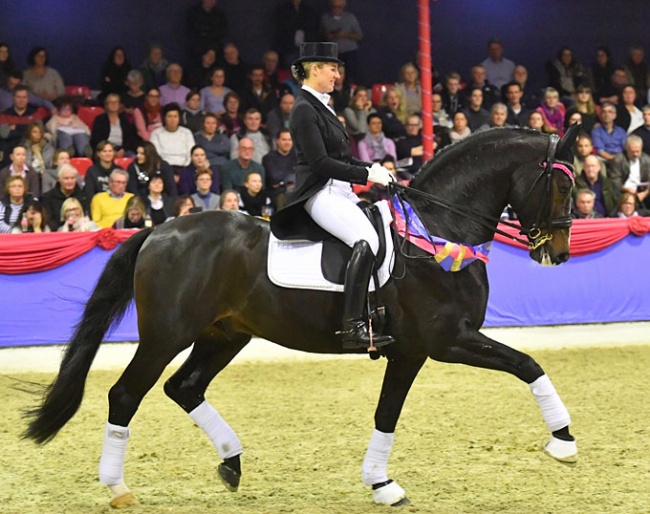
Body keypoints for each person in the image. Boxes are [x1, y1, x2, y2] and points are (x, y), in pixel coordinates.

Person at [270, 42, 395, 350]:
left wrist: (373, 168)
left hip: (339, 191)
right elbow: (320, 163)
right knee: (367, 241)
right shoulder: (303, 109)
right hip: (319, 193)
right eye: (333, 69)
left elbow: (343, 157)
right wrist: (366, 176)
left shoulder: (323, 107)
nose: (337, 75)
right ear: (315, 69)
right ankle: (352, 326)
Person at [0, 85, 47, 165]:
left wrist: (16, 127)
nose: (21, 100)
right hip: (10, 147)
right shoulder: (4, 114)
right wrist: (29, 129)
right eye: (18, 97)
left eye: (24, 97)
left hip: (31, 146)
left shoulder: (35, 114)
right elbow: (4, 134)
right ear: (13, 98)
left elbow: (38, 133)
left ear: (28, 99)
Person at [320, 0, 363, 82]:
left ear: (343, 7)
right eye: (334, 7)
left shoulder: (350, 17)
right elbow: (320, 36)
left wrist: (345, 35)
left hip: (349, 53)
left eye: (339, 7)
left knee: (350, 77)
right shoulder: (325, 18)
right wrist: (329, 35)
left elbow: (359, 35)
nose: (336, 9)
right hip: (332, 53)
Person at [150, 103, 196, 176]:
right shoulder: (156, 133)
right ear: (164, 118)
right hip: (164, 168)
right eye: (169, 116)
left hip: (184, 168)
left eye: (175, 116)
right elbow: (156, 155)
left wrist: (185, 170)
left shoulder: (186, 133)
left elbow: (191, 153)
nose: (172, 119)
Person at [274, 0, 320, 68]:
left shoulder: (309, 10)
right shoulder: (283, 9)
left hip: (306, 47)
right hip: (289, 48)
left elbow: (313, 28)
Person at [41, 163, 87, 231]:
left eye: (72, 178)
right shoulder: (48, 198)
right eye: (66, 178)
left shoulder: (83, 197)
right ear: (59, 179)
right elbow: (49, 221)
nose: (70, 181)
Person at [608, 134, 650, 208]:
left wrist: (645, 193)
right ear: (627, 149)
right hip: (624, 190)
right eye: (632, 152)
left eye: (638, 151)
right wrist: (626, 189)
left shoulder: (647, 160)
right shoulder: (618, 159)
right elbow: (615, 180)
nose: (635, 154)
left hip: (641, 191)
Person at [262, 128, 297, 210]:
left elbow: (300, 176)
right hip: (275, 194)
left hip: (295, 191)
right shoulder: (268, 158)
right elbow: (274, 178)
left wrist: (282, 182)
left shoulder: (297, 157)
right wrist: (290, 179)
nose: (287, 143)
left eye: (289, 140)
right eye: (284, 139)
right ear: (277, 141)